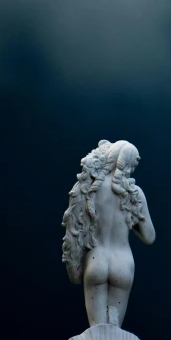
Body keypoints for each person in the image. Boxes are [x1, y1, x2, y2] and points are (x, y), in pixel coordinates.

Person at [61, 140, 156, 328]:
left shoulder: (89, 187)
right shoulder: (134, 193)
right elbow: (149, 237)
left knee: (97, 334)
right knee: (114, 336)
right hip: (123, 263)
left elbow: (74, 225)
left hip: (97, 259)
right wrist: (132, 220)